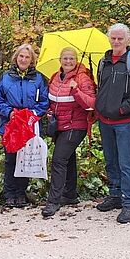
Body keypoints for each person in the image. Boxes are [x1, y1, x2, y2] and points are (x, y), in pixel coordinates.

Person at [94, 24, 130, 224]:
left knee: (126, 163)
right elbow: (101, 88)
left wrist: (123, 108)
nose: (116, 42)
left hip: (124, 121)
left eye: (120, 39)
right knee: (110, 160)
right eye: (113, 38)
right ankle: (114, 195)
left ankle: (129, 204)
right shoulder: (103, 61)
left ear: (128, 40)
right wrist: (99, 108)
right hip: (105, 121)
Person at [0, 44, 49, 207]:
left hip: (29, 124)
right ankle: (9, 193)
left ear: (32, 60)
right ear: (16, 58)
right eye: (21, 56)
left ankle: (21, 192)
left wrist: (33, 115)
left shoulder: (38, 78)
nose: (23, 59)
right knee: (11, 159)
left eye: (27, 57)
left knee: (26, 158)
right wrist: (9, 112)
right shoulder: (6, 77)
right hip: (11, 123)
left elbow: (44, 101)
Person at [42, 47, 97, 218]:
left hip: (76, 125)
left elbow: (91, 104)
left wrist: (76, 91)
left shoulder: (82, 78)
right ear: (60, 59)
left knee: (58, 159)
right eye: (65, 58)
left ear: (76, 60)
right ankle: (70, 194)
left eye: (71, 58)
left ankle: (53, 201)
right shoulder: (55, 77)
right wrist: (50, 112)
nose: (68, 62)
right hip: (59, 125)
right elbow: (52, 101)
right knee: (68, 158)